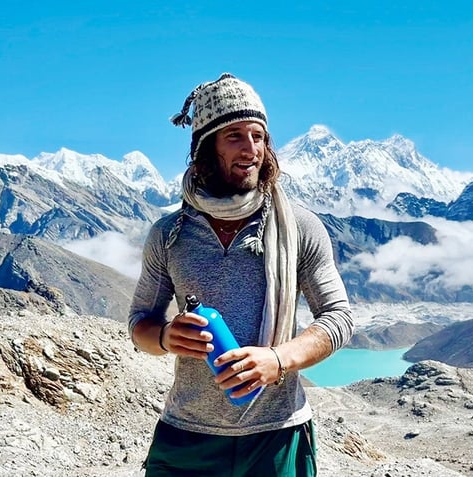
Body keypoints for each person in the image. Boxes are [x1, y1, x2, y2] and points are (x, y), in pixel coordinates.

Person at [127, 72, 353, 477]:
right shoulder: (169, 234)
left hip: (278, 437)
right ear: (204, 147)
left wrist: (279, 359)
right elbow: (140, 322)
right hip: (187, 438)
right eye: (234, 136)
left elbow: (338, 317)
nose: (251, 149)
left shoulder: (299, 227)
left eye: (258, 136)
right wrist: (165, 337)